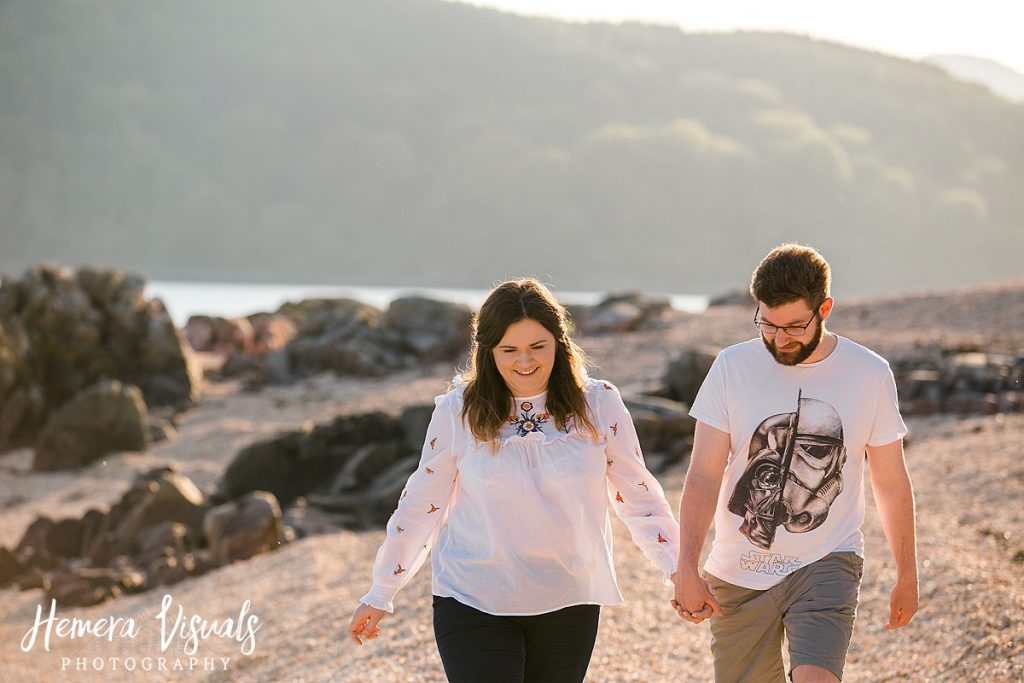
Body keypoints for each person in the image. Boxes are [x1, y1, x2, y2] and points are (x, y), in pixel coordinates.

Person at [347, 278, 680, 683]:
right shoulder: (459, 411)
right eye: (509, 350)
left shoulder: (599, 403)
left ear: (559, 343)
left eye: (538, 347)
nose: (525, 361)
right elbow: (421, 503)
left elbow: (639, 496)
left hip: (568, 596)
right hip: (472, 595)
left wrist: (677, 570)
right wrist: (382, 591)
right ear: (487, 351)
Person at [672, 244, 918, 682]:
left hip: (828, 560)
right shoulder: (732, 367)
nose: (780, 338)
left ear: (824, 309)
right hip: (738, 572)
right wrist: (686, 568)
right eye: (767, 323)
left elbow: (891, 481)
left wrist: (907, 574)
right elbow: (705, 474)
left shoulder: (869, 373)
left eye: (794, 326)